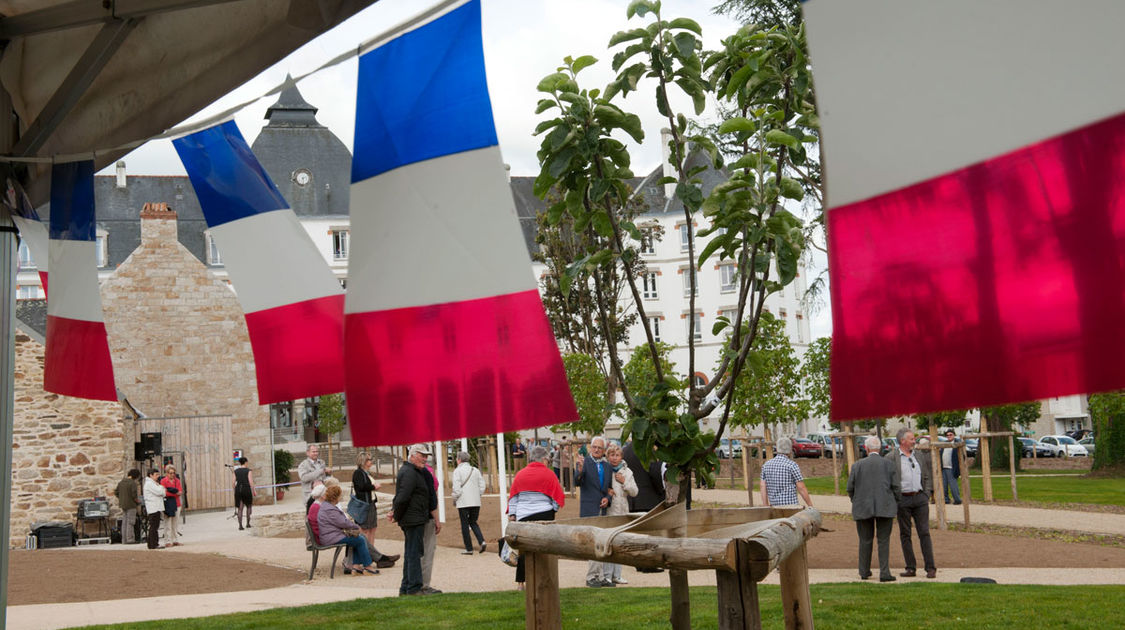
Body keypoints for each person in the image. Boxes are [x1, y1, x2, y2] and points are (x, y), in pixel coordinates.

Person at [507, 445, 565, 590]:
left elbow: (514, 497)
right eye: (547, 459)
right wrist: (553, 509)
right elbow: (556, 499)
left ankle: (521, 582)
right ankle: (543, 578)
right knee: (544, 548)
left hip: (523, 515)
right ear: (544, 459)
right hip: (544, 513)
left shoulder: (520, 474)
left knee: (524, 550)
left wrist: (513, 515)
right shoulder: (550, 474)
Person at [885, 428, 936, 578]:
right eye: (912, 439)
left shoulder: (919, 455)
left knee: (924, 533)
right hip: (903, 500)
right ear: (903, 441)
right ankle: (911, 567)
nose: (914, 441)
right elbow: (888, 480)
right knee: (905, 534)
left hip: (920, 498)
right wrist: (896, 498)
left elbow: (927, 476)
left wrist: (926, 493)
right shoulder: (891, 457)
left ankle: (930, 567)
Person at [848, 436, 899, 582]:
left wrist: (856, 500)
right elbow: (896, 487)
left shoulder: (857, 465)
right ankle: (884, 572)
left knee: (865, 540)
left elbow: (850, 488)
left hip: (863, 506)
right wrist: (895, 502)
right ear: (880, 448)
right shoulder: (888, 464)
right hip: (885, 506)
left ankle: (864, 571)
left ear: (867, 448)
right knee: (883, 541)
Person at [391, 443, 440, 596]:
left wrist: (395, 513)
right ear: (412, 455)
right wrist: (396, 515)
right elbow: (402, 497)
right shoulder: (410, 472)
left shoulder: (415, 471)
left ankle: (406, 588)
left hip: (415, 518)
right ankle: (413, 588)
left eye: (426, 456)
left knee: (411, 553)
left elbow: (401, 497)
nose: (425, 459)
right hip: (413, 519)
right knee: (414, 553)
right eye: (422, 455)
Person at [574, 436, 612, 587]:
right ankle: (591, 577)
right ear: (590, 448)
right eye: (594, 447)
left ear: (603, 451)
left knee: (602, 542)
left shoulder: (607, 466)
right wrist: (580, 470)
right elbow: (577, 481)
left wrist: (608, 498)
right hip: (589, 508)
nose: (596, 450)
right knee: (593, 543)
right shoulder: (584, 463)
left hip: (603, 510)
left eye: (599, 448)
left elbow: (609, 488)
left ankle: (601, 576)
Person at [318, 484, 379, 575]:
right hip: (332, 537)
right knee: (360, 540)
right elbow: (343, 523)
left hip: (329, 536)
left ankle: (356, 567)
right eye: (340, 495)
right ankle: (367, 566)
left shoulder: (326, 506)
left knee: (356, 539)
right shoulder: (330, 509)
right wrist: (356, 526)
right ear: (336, 497)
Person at [352, 452, 398, 569]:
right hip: (364, 505)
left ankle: (372, 554)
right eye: (368, 460)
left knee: (372, 528)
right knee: (365, 530)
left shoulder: (366, 473)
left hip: (371, 503)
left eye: (371, 459)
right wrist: (374, 486)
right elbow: (360, 487)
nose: (371, 461)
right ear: (363, 461)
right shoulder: (358, 473)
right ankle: (369, 556)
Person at [604, 442, 638, 585]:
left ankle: (617, 575)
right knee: (608, 542)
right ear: (608, 456)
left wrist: (624, 482)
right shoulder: (605, 470)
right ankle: (606, 575)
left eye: (617, 455)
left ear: (621, 456)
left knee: (620, 543)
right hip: (609, 511)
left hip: (622, 510)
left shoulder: (627, 472)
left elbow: (635, 492)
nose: (614, 458)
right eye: (612, 455)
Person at [760, 437, 813, 507]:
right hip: (790, 506)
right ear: (790, 449)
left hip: (774, 506)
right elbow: (801, 487)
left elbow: (762, 486)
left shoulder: (766, 465)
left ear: (777, 448)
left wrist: (765, 505)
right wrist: (810, 505)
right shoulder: (792, 465)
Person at [451, 451, 486, 555]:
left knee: (464, 525)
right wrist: (477, 494)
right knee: (473, 522)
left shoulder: (457, 471)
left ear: (459, 460)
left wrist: (455, 498)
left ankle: (469, 548)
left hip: (463, 502)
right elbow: (482, 485)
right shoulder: (475, 470)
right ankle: (482, 541)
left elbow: (457, 489)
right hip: (476, 501)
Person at [623, 442, 664, 512]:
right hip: (650, 501)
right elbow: (654, 473)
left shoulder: (625, 450)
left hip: (631, 503)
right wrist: (661, 490)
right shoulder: (648, 449)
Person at [421, 457, 441, 593]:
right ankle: (424, 584)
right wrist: (437, 519)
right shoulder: (428, 472)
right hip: (426, 516)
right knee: (427, 550)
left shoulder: (409, 471)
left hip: (415, 518)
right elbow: (434, 491)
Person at [114, 469, 142, 544]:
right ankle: (130, 539)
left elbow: (116, 492)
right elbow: (134, 495)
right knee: (131, 522)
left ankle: (124, 539)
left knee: (124, 522)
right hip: (131, 504)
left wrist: (122, 498)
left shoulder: (121, 482)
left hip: (123, 504)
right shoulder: (132, 483)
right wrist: (138, 501)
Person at [142, 469, 166, 550]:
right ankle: (153, 544)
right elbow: (160, 492)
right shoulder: (149, 484)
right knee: (154, 527)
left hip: (156, 507)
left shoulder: (153, 483)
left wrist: (161, 489)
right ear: (151, 475)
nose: (158, 476)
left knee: (154, 526)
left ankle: (152, 544)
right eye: (156, 474)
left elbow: (162, 493)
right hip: (153, 507)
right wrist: (162, 487)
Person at [160, 464, 183, 547]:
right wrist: (174, 493)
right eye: (170, 473)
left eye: (173, 473)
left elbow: (180, 492)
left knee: (175, 523)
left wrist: (172, 493)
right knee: (168, 523)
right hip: (168, 504)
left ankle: (175, 539)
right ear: (167, 473)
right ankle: (167, 540)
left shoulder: (177, 481)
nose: (172, 475)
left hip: (177, 504)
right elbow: (164, 492)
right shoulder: (163, 481)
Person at [233, 457, 257, 530]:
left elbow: (233, 483)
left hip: (238, 490)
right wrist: (254, 490)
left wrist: (235, 490)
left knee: (240, 509)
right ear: (246, 462)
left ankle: (240, 526)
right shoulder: (248, 471)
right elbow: (250, 482)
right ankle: (248, 524)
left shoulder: (235, 471)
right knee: (249, 506)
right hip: (246, 489)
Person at [942, 430, 962, 505]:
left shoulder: (957, 443)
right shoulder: (945, 444)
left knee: (953, 485)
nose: (949, 436)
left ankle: (957, 499)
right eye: (947, 435)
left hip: (952, 468)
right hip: (944, 468)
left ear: (954, 435)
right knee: (944, 485)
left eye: (950, 434)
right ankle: (946, 499)